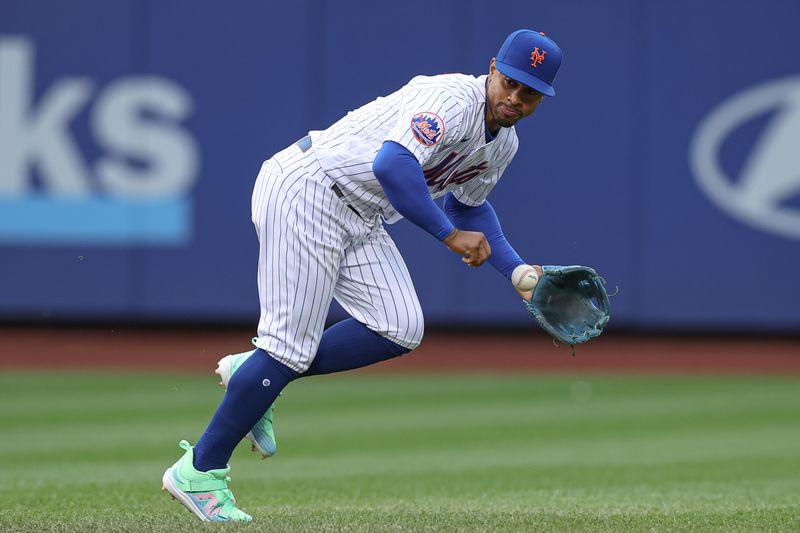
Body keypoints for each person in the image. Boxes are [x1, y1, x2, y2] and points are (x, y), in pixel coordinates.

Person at [162, 28, 562, 522]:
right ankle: (199, 471)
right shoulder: (452, 101)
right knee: (287, 348)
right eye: (512, 83)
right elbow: (393, 165)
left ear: (543, 99)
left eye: (531, 94)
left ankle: (254, 373)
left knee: (400, 326)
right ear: (494, 68)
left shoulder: (503, 145)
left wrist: (519, 273)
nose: (516, 98)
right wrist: (446, 236)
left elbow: (469, 209)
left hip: (360, 214)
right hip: (309, 189)